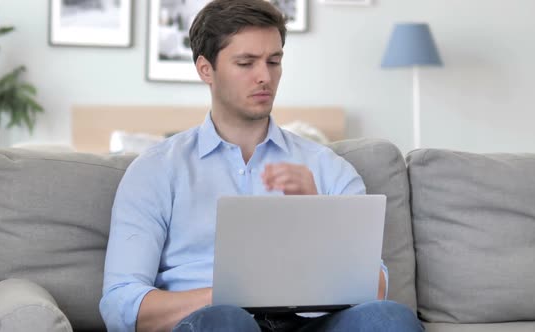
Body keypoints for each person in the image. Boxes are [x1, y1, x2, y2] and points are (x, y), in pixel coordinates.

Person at [99, 0, 424, 331]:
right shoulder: (156, 170)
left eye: (274, 61)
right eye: (246, 63)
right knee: (224, 320)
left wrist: (316, 218)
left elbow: (377, 288)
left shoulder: (327, 168)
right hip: (214, 320)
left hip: (313, 323)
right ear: (205, 69)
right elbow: (121, 303)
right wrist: (229, 296)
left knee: (390, 318)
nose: (264, 77)